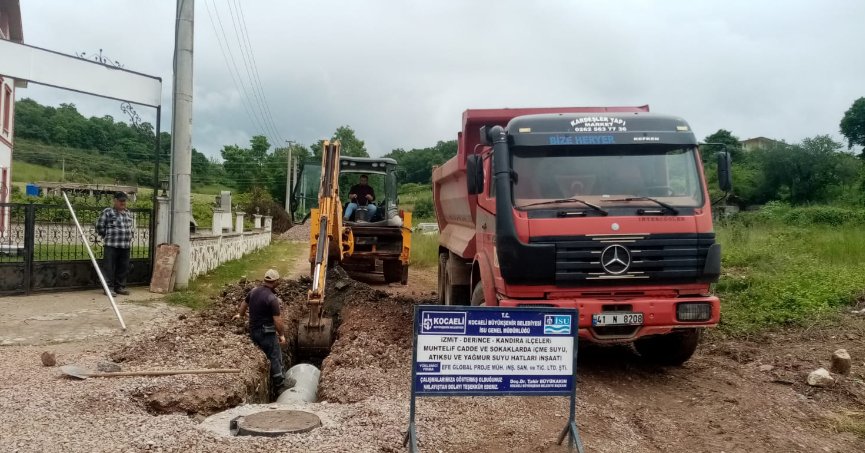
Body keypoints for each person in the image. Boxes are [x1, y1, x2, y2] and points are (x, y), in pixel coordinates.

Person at [233, 269, 286, 395]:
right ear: (275, 282)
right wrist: (282, 335)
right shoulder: (271, 298)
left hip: (253, 331)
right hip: (266, 333)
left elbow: (244, 304)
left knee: (271, 354)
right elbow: (277, 320)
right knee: (275, 355)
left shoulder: (254, 291)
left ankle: (278, 379)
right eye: (278, 281)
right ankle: (280, 385)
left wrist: (240, 315)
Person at [95, 192, 133, 296]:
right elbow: (99, 226)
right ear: (115, 201)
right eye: (120, 200)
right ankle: (108, 288)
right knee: (109, 268)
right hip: (111, 244)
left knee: (123, 267)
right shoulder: (108, 212)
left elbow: (131, 227)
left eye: (124, 200)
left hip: (125, 245)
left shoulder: (128, 213)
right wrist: (106, 235)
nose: (123, 202)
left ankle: (119, 287)